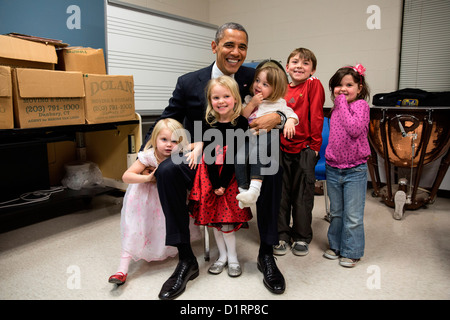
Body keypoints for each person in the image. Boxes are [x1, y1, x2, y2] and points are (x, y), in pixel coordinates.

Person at [141, 22, 286, 300]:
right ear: (215, 46)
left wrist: (279, 117)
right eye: (229, 45)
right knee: (168, 171)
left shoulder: (253, 76)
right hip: (202, 150)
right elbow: (167, 117)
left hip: (242, 151)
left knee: (271, 163)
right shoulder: (188, 81)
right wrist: (144, 152)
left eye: (242, 46)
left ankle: (267, 253)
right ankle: (186, 259)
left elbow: (276, 99)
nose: (236, 52)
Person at [108, 118, 200, 285]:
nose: (169, 145)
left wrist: (197, 149)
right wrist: (148, 177)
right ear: (155, 139)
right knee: (136, 229)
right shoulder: (148, 156)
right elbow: (126, 176)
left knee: (160, 227)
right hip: (143, 201)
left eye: (174, 141)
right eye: (164, 140)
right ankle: (122, 268)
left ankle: (164, 251)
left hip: (161, 201)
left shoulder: (179, 151)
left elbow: (198, 143)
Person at [188, 76, 252, 277]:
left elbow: (234, 155)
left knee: (228, 223)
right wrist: (215, 183)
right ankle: (221, 257)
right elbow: (207, 156)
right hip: (210, 177)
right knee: (216, 221)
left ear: (235, 99)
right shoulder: (207, 123)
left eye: (226, 96)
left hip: (231, 178)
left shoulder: (240, 123)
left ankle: (233, 258)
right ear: (210, 100)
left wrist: (223, 183)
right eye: (216, 97)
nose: (221, 101)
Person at [274, 48, 325, 256]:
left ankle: (302, 236)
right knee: (281, 195)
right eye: (295, 62)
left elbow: (317, 116)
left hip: (305, 148)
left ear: (312, 69)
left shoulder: (313, 85)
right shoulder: (281, 89)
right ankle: (282, 235)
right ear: (287, 67)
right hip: (280, 148)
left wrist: (314, 147)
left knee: (302, 195)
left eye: (305, 63)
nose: (299, 66)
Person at [322, 64, 370, 268]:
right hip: (334, 168)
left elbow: (355, 129)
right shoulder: (336, 109)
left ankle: (352, 251)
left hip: (355, 170)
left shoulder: (361, 106)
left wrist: (341, 102)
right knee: (337, 212)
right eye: (338, 86)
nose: (342, 89)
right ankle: (336, 246)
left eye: (348, 85)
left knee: (353, 215)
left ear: (359, 88)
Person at [236, 60, 298, 207]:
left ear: (275, 89)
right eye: (257, 81)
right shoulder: (248, 99)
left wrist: (289, 122)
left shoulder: (279, 103)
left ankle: (254, 190)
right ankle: (243, 191)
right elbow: (242, 118)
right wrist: (252, 104)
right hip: (249, 135)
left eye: (265, 84)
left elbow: (292, 115)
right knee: (239, 157)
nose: (258, 85)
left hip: (267, 136)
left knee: (258, 153)